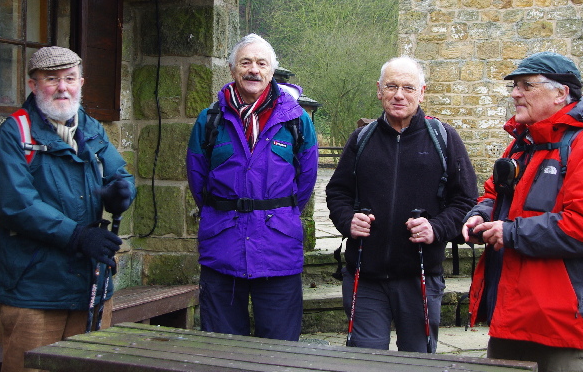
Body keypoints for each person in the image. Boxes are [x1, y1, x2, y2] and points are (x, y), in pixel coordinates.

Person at [461, 51, 583, 372]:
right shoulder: (522, 144)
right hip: (510, 316)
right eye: (515, 86)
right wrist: (479, 215)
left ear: (561, 93)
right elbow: (494, 194)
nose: (515, 93)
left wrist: (510, 232)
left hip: (564, 326)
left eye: (526, 85)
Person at [0, 46, 135, 372]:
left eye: (69, 79)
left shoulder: (91, 128)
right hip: (33, 289)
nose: (62, 87)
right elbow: (14, 204)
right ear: (33, 85)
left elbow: (119, 175)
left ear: (81, 82)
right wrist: (78, 236)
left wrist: (121, 195)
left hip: (90, 285)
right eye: (51, 79)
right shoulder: (15, 132)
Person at [325, 56, 477, 353]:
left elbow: (466, 200)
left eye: (408, 87)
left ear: (422, 92)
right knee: (366, 361)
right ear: (378, 90)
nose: (399, 94)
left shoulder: (444, 139)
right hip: (365, 278)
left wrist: (436, 227)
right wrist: (348, 220)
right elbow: (338, 192)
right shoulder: (362, 139)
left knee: (416, 361)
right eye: (391, 86)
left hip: (419, 277)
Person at [186, 34, 319, 341]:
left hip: (277, 249)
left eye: (262, 63)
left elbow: (305, 183)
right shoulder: (210, 120)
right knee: (222, 347)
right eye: (245, 62)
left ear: (272, 71)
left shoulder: (296, 120)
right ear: (232, 70)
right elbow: (198, 180)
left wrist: (274, 212)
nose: (253, 70)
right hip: (223, 246)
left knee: (279, 347)